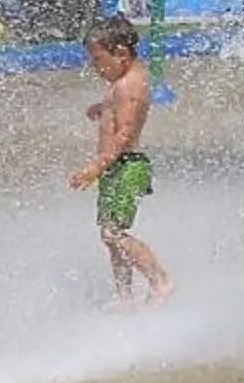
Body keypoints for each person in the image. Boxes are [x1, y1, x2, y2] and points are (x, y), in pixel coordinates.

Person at [73, 17, 172, 307]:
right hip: (116, 167)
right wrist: (104, 107)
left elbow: (125, 134)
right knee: (110, 237)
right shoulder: (124, 81)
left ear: (121, 54)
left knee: (113, 234)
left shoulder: (128, 85)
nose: (94, 67)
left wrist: (96, 166)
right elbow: (122, 113)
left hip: (126, 165)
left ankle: (160, 280)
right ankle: (125, 298)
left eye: (97, 60)